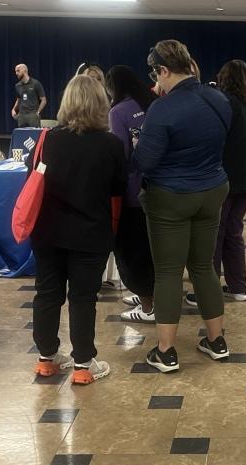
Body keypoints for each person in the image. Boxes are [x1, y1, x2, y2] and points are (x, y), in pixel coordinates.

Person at [133, 39, 232, 373]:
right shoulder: (219, 98)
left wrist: (135, 146)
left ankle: (166, 351)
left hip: (171, 197)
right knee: (204, 266)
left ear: (163, 70)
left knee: (169, 272)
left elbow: (145, 162)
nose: (155, 80)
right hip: (213, 190)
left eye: (155, 73)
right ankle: (217, 341)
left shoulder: (162, 108)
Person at [28, 74, 127, 385]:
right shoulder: (111, 144)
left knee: (47, 294)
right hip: (90, 232)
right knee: (83, 298)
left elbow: (33, 178)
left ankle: (46, 359)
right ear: (101, 104)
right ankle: (83, 365)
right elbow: (118, 188)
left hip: (47, 232)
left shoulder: (48, 139)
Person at [204, 59, 246, 302]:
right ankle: (239, 286)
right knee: (234, 232)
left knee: (215, 234)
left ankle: (208, 290)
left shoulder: (224, 103)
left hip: (225, 177)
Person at [106, 64, 159, 322]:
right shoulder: (154, 103)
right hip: (158, 188)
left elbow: (120, 154)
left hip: (131, 192)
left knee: (132, 250)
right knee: (151, 247)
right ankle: (148, 294)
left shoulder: (118, 112)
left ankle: (148, 306)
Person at [12, 63, 46, 128]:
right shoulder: (17, 85)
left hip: (33, 115)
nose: (16, 73)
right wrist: (13, 109)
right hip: (22, 115)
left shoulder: (35, 83)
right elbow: (18, 99)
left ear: (24, 70)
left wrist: (38, 112)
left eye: (18, 70)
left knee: (34, 136)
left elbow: (44, 100)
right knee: (22, 136)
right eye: (15, 71)